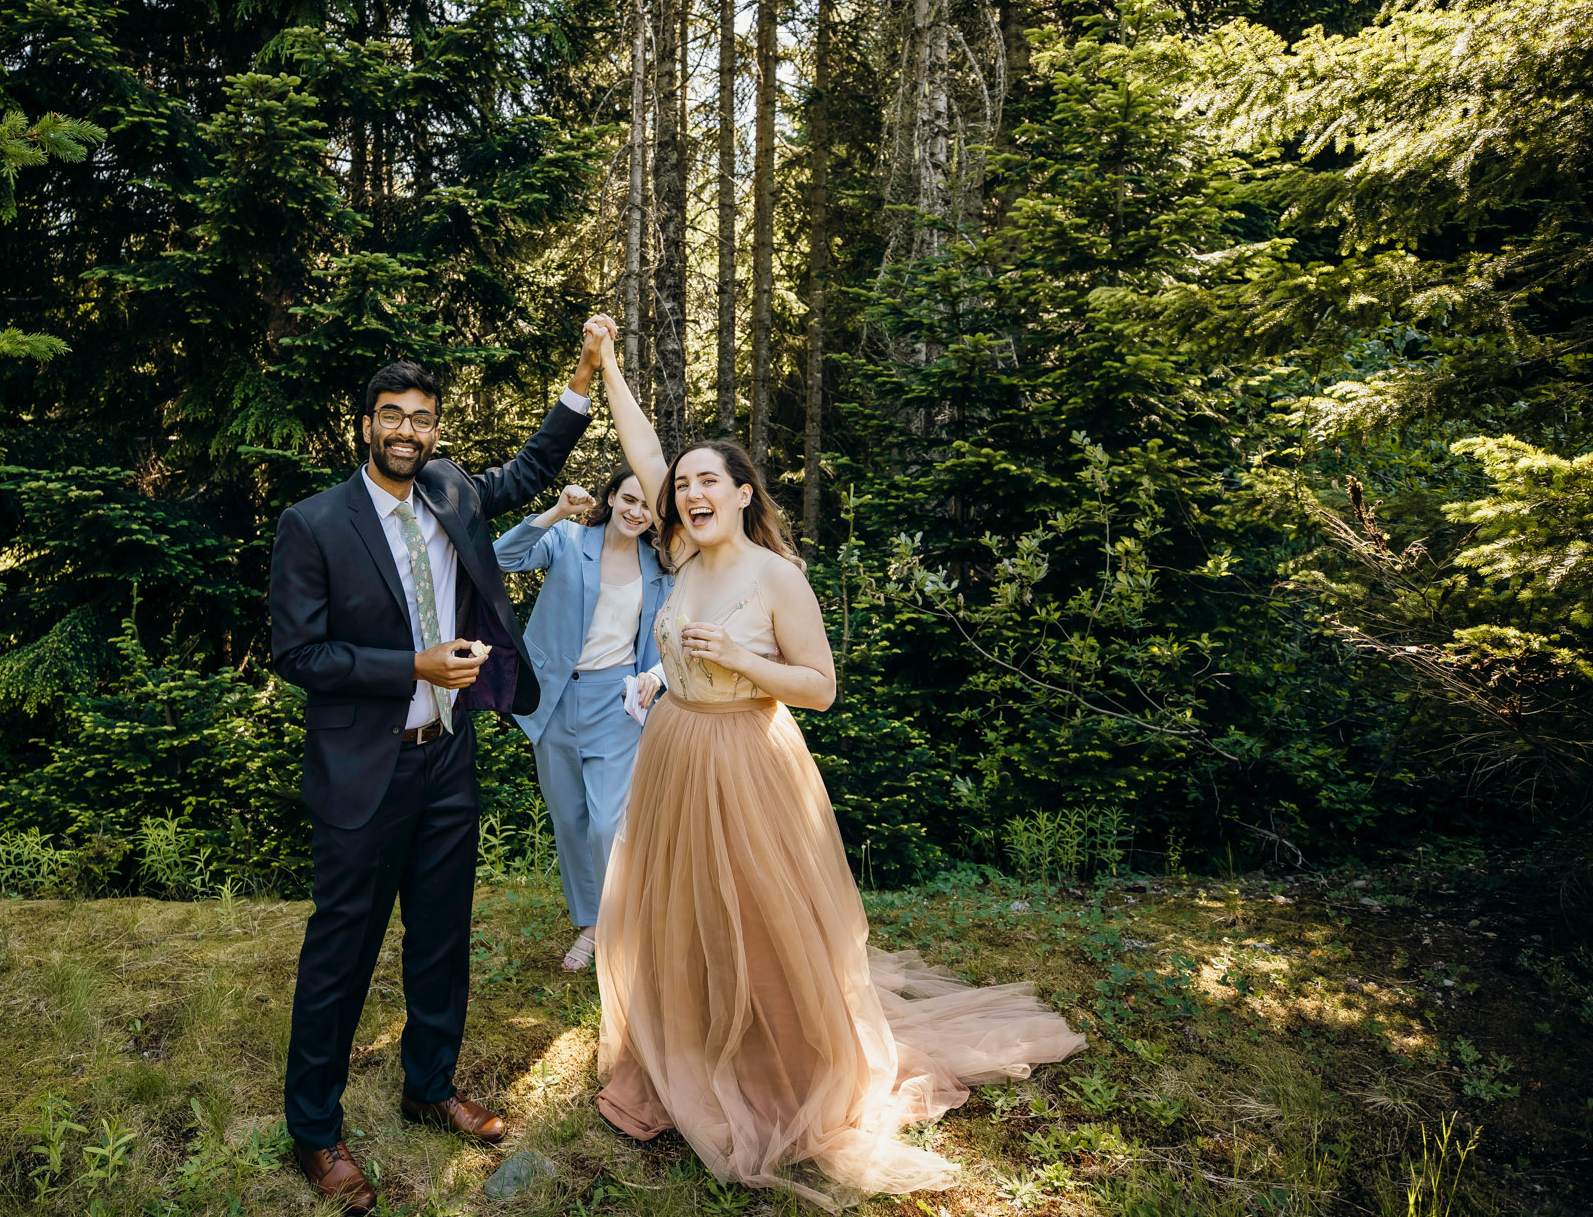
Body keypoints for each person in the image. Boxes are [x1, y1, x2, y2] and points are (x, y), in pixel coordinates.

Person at [594, 440, 1087, 1210]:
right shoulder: (684, 552)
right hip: (674, 752)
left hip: (745, 760)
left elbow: (820, 687)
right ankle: (688, 1047)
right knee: (682, 911)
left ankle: (777, 1064)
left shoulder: (776, 576)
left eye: (708, 481)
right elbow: (647, 453)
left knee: (760, 917)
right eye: (682, 484)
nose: (689, 492)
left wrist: (738, 657)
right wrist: (606, 362)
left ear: (745, 493)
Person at [268, 326, 607, 1214]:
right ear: (366, 426)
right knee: (340, 956)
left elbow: (528, 472)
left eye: (422, 418)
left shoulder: (453, 490)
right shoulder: (312, 524)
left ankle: (431, 1086)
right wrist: (411, 666)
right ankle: (315, 1128)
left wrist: (579, 381)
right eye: (393, 416)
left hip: (450, 757)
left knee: (443, 939)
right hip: (361, 771)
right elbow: (299, 654)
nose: (408, 431)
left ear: (434, 428)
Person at [493, 315, 671, 972]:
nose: (635, 510)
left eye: (645, 505)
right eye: (627, 498)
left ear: (655, 515)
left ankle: (626, 927)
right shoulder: (571, 540)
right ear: (611, 498)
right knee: (570, 820)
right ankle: (590, 925)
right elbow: (500, 558)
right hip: (550, 699)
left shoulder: (663, 569)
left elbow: (668, 637)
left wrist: (656, 677)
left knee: (607, 822)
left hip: (616, 701)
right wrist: (550, 512)